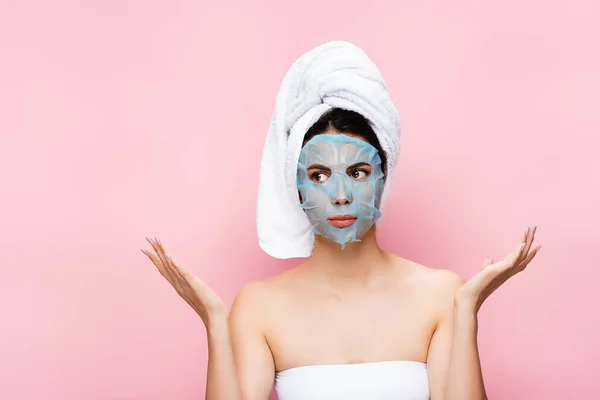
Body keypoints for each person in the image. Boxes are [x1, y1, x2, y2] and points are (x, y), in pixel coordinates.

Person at [141, 45, 541, 400]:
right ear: (295, 187)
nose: (340, 195)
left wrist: (466, 308)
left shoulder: (441, 294)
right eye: (318, 175)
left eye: (358, 172)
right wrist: (214, 321)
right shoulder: (260, 307)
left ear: (383, 177)